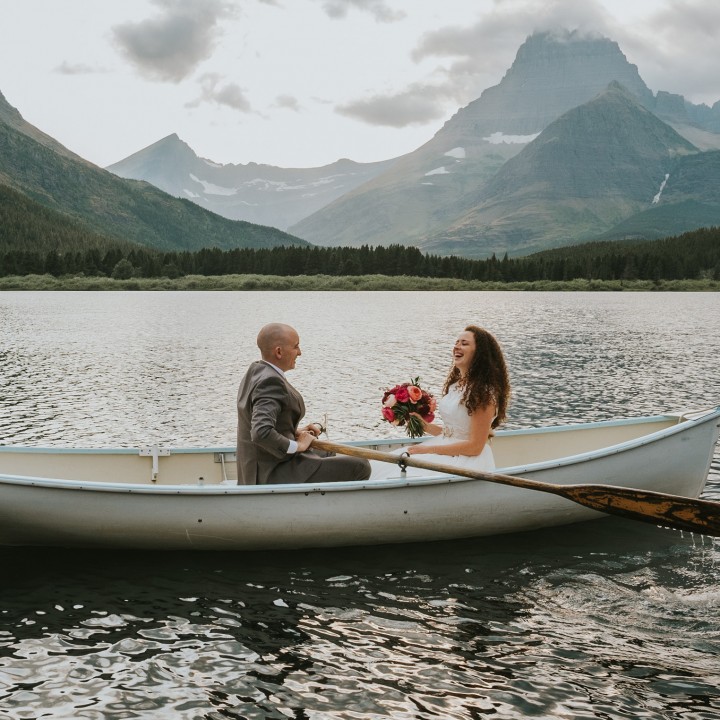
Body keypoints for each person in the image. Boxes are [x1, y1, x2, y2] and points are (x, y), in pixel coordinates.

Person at [236, 322, 371, 485]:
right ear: (279, 351)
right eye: (296, 347)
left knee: (326, 452)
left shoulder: (256, 371)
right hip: (271, 473)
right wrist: (298, 446)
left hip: (259, 467)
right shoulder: (271, 382)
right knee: (360, 466)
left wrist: (295, 431)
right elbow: (261, 432)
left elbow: (259, 423)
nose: (299, 353)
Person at [369, 325, 510, 480]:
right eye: (456, 342)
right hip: (444, 446)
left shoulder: (483, 393)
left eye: (464, 343)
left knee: (400, 470)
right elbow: (453, 433)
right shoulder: (455, 386)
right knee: (383, 464)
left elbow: (475, 447)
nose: (457, 346)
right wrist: (425, 425)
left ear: (479, 353)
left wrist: (428, 450)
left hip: (465, 459)